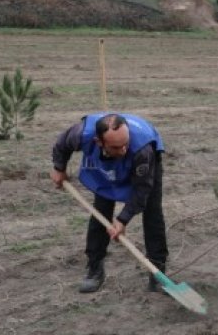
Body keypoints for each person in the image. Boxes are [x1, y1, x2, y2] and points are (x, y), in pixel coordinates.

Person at [50, 113, 168, 294]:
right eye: (116, 147)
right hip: (104, 166)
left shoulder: (142, 149)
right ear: (99, 142)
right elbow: (62, 144)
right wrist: (59, 169)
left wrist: (122, 219)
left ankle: (158, 271)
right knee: (101, 211)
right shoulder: (81, 134)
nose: (123, 150)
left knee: (153, 214)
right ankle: (95, 268)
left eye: (125, 144)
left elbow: (141, 191)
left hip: (145, 165)